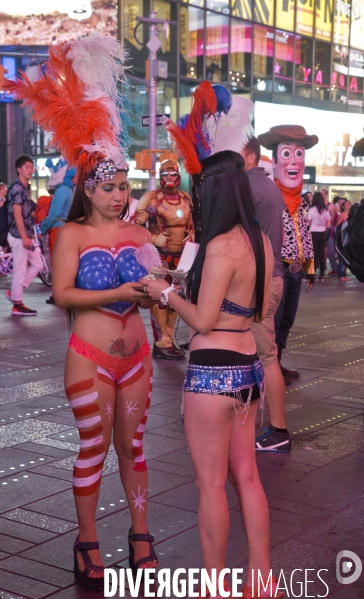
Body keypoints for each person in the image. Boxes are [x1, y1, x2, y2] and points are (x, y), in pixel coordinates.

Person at [6, 32, 161, 592]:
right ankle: (88, 538)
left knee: (135, 447)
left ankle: (141, 530)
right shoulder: (68, 233)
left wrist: (160, 288)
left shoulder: (138, 230)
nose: (120, 195)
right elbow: (65, 295)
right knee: (94, 447)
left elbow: (154, 281)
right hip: (89, 356)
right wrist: (120, 296)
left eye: (124, 186)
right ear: (89, 189)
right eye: (111, 187)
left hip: (137, 356)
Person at [142, 151, 279, 598]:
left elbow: (201, 321)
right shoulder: (260, 241)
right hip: (247, 368)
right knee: (248, 476)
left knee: (210, 484)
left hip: (212, 373)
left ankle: (214, 587)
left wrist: (163, 292)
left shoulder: (222, 246)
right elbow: (256, 310)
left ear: (213, 192)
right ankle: (261, 580)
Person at [241, 136, 291, 452]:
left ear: (248, 155)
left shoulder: (247, 186)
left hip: (260, 279)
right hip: (271, 277)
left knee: (266, 356)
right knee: (261, 352)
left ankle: (279, 431)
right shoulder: (270, 186)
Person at [258, 125, 317, 382]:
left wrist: (310, 269)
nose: (294, 161)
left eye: (299, 153)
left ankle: (277, 362)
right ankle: (266, 364)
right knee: (272, 318)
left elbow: (305, 233)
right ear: (274, 160)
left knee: (287, 320)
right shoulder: (269, 197)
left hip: (295, 271)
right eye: (286, 154)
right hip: (276, 269)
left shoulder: (302, 202)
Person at [134, 160, 194, 360]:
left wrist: (192, 235)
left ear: (178, 175)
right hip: (159, 257)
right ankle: (162, 342)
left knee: (175, 298)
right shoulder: (150, 199)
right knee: (159, 298)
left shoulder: (186, 199)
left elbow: (194, 224)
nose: (169, 178)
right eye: (165, 174)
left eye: (173, 174)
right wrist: (153, 238)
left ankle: (168, 340)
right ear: (160, 175)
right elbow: (134, 227)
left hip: (181, 258)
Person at [5, 155, 43, 316]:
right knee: (20, 269)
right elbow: (17, 214)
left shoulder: (24, 187)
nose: (30, 170)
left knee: (39, 263)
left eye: (31, 167)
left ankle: (15, 292)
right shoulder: (17, 188)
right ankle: (17, 304)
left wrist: (30, 235)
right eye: (27, 167)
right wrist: (25, 237)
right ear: (18, 169)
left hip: (25, 235)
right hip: (18, 236)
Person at [40, 162, 76, 304]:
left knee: (57, 264)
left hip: (57, 230)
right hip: (65, 229)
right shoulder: (69, 191)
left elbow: (54, 213)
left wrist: (44, 226)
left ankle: (57, 295)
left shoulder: (61, 190)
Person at [308, 192, 331, 281]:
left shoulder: (311, 210)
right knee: (322, 254)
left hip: (313, 233)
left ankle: (313, 274)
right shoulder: (326, 211)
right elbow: (328, 225)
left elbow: (308, 223)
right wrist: (321, 226)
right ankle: (322, 275)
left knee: (314, 254)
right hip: (322, 234)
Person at [336, 199, 352, 281]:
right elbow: (338, 227)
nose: (348, 205)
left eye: (349, 203)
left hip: (349, 239)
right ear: (343, 206)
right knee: (342, 257)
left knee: (346, 257)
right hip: (343, 238)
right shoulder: (342, 214)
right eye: (346, 203)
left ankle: (343, 273)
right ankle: (341, 275)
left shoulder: (352, 215)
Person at [0, 182, 8, 250]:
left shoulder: (5, 202)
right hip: (3, 233)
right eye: (4, 188)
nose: (6, 190)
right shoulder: (5, 202)